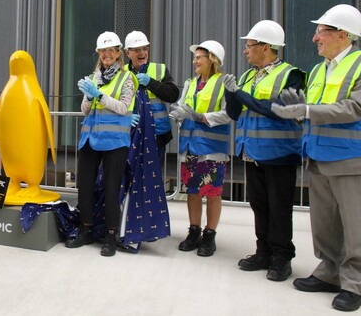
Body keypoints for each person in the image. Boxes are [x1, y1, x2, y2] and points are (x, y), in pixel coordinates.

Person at [271, 4, 361, 312]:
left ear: (342, 35)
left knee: (356, 224)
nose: (314, 38)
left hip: (351, 157)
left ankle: (356, 284)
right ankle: (330, 272)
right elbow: (317, 109)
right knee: (325, 223)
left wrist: (306, 110)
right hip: (319, 154)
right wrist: (300, 110)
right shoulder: (320, 68)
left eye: (321, 31)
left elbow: (356, 108)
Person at [222, 20, 305, 282]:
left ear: (266, 47)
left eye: (249, 46)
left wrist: (240, 94)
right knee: (259, 205)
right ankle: (264, 252)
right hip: (252, 150)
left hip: (279, 152)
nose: (245, 51)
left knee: (279, 207)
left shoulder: (292, 75)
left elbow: (275, 109)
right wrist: (230, 94)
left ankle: (282, 257)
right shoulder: (247, 76)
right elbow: (235, 114)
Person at [64, 31, 137, 257]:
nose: (106, 54)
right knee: (84, 186)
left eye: (111, 50)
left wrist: (100, 95)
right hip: (90, 138)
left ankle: (111, 235)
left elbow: (124, 108)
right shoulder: (93, 77)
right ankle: (86, 229)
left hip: (114, 141)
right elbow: (85, 111)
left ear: (118, 54)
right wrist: (88, 95)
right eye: (102, 51)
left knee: (110, 188)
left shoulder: (127, 79)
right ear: (98, 54)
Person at [170, 40, 230, 257]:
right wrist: (177, 112)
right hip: (190, 146)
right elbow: (183, 105)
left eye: (199, 57)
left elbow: (228, 114)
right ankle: (194, 232)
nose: (195, 60)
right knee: (193, 192)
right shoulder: (190, 83)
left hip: (212, 147)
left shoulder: (224, 83)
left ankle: (209, 235)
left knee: (213, 193)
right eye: (194, 57)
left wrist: (201, 117)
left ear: (212, 59)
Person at [121, 31, 179, 245]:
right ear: (128, 53)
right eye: (137, 50)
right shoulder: (121, 73)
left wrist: (151, 82)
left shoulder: (159, 70)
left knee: (150, 181)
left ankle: (147, 227)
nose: (142, 53)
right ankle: (128, 225)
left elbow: (173, 95)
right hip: (130, 134)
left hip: (156, 136)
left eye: (145, 49)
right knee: (128, 180)